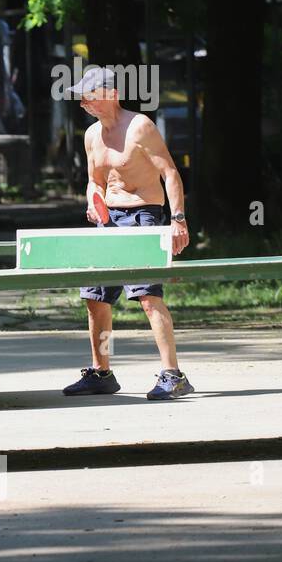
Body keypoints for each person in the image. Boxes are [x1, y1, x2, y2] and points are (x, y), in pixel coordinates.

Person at [62, 66, 195, 400]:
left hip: (143, 216)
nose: (83, 104)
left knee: (148, 298)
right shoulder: (92, 135)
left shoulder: (139, 127)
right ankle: (102, 373)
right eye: (81, 99)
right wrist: (93, 200)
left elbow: (170, 174)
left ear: (111, 94)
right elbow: (95, 180)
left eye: (89, 97)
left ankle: (173, 374)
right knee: (95, 298)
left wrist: (177, 219)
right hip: (107, 221)